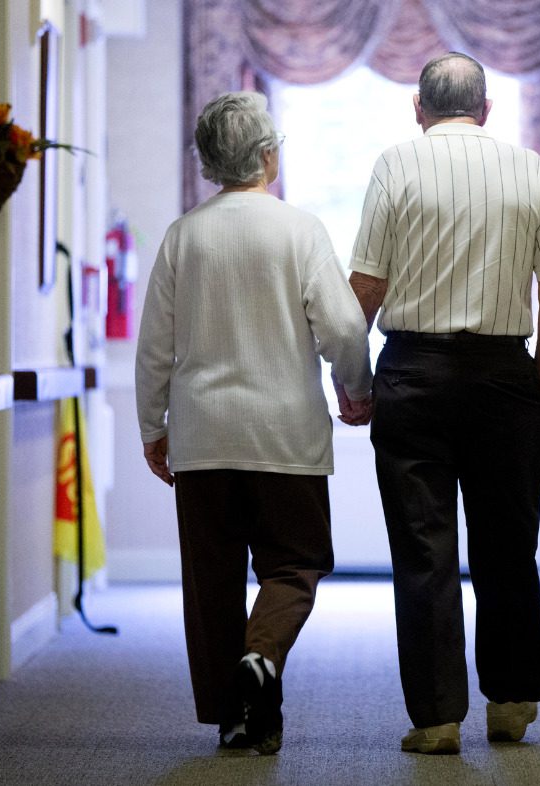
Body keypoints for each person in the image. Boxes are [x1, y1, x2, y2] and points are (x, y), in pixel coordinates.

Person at [344, 52, 540, 754]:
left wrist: (356, 382)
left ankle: (438, 718)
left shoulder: (396, 165)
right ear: (486, 109)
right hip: (505, 375)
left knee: (424, 550)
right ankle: (510, 704)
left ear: (418, 108)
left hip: (414, 371)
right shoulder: (528, 167)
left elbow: (365, 287)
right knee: (509, 545)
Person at [135, 91, 373, 755]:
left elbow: (155, 344)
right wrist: (356, 388)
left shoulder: (184, 236)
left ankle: (236, 717)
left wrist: (152, 425)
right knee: (296, 566)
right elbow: (345, 328)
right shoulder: (299, 230)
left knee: (211, 582)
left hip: (204, 436)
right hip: (284, 436)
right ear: (268, 155)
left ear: (211, 162)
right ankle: (262, 656)